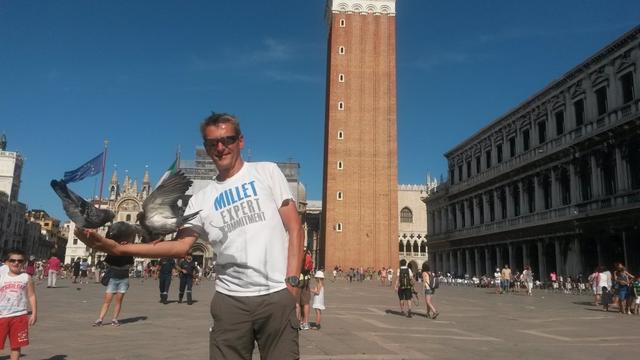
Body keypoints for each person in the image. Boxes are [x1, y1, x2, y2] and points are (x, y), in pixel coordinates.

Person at [76, 112, 304, 359]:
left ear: (240, 141)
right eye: (212, 143)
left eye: (227, 139)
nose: (220, 147)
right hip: (230, 302)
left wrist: (292, 284)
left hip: (276, 295)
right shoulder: (201, 199)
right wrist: (118, 249)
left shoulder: (267, 172)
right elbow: (179, 247)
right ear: (206, 148)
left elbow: (295, 227)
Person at [93, 226, 134, 327]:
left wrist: (126, 250)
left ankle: (114, 319)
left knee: (118, 301)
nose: (123, 243)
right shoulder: (113, 251)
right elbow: (108, 262)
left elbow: (130, 263)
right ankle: (100, 319)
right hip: (114, 279)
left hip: (123, 280)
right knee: (107, 301)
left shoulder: (129, 252)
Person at [0, 249, 37, 360]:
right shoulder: (1, 277)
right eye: (13, 260)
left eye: (20, 261)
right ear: (7, 262)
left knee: (16, 346)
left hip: (19, 316)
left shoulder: (26, 277)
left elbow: (31, 295)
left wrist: (34, 313)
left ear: (24, 263)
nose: (16, 263)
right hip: (1, 316)